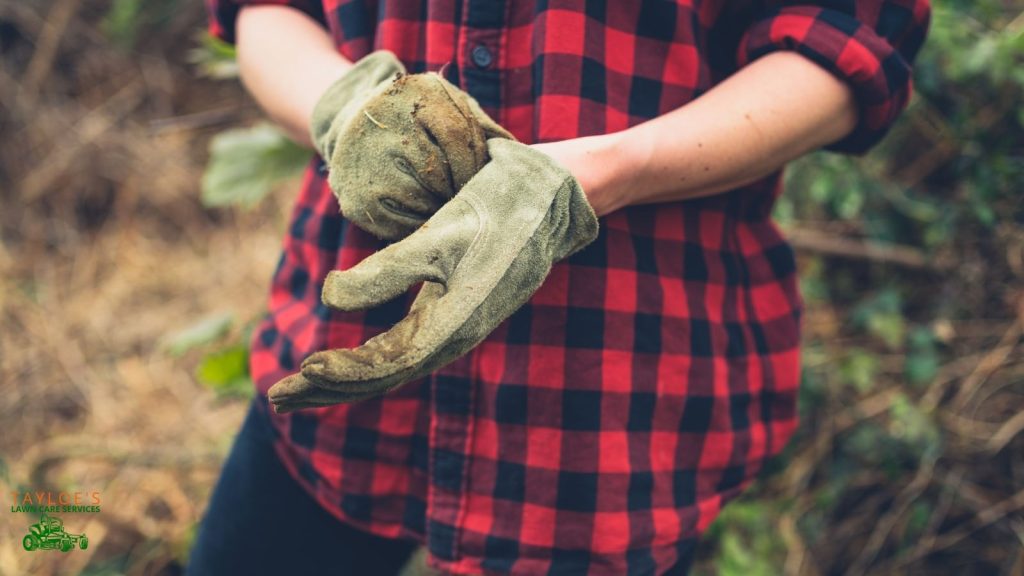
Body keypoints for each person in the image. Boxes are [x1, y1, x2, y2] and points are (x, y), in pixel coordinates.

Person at [188, 1, 931, 574]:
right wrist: (350, 107)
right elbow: (268, 12)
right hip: (345, 381)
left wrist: (604, 173)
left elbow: (849, 42)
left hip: (612, 398)